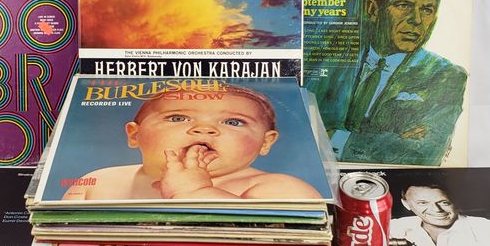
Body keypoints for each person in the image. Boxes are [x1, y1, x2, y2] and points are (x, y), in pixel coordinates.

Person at [63, 86, 323, 200]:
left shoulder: (279, 187)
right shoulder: (98, 182)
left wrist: (196, 193)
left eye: (233, 122)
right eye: (178, 118)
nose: (204, 129)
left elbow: (286, 245)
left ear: (266, 143)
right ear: (134, 135)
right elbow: (56, 241)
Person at [329, 0, 468, 165]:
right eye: (403, 5)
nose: (417, 20)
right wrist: (393, 140)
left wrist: (335, 138)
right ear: (373, 9)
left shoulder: (446, 76)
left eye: (427, 9)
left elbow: (422, 155)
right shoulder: (334, 64)